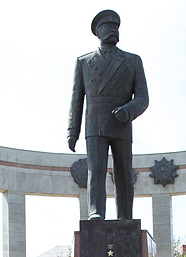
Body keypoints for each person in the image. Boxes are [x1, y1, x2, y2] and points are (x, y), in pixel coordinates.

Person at [67, 9, 149, 220]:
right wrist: (72, 131)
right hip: (95, 123)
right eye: (108, 26)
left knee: (123, 174)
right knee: (96, 171)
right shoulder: (84, 62)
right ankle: (96, 211)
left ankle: (125, 215)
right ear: (98, 31)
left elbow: (143, 98)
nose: (113, 29)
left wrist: (129, 110)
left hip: (122, 122)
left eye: (116, 26)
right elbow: (77, 100)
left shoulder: (133, 61)